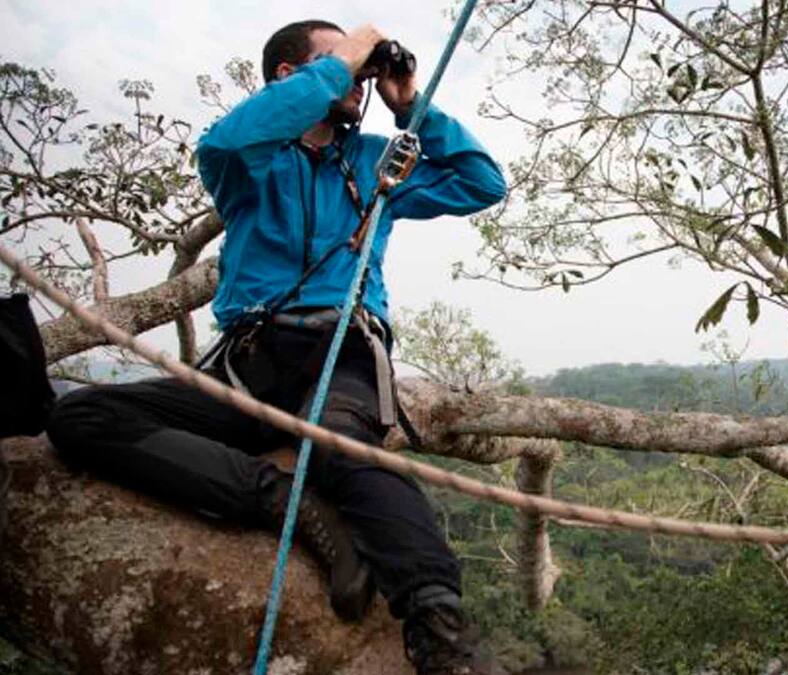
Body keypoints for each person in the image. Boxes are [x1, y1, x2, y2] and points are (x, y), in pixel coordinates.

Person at [45, 19, 507, 675]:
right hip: (250, 361)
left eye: (359, 65)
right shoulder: (249, 164)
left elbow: (482, 183)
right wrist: (343, 63)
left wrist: (411, 105)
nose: (358, 75)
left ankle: (440, 630)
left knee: (341, 443)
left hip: (340, 351)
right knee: (82, 416)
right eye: (339, 61)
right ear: (290, 77)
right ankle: (281, 499)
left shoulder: (373, 162)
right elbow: (228, 142)